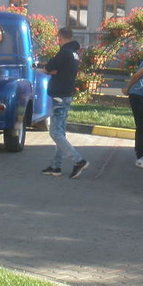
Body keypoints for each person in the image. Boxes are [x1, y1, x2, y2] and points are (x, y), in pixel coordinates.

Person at [42, 27, 89, 179]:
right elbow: (57, 69)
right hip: (66, 95)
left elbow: (49, 67)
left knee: (55, 132)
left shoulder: (64, 52)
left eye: (58, 38)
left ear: (60, 37)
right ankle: (56, 166)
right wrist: (53, 70)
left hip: (59, 97)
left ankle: (78, 160)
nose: (58, 41)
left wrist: (50, 69)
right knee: (60, 132)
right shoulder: (74, 54)